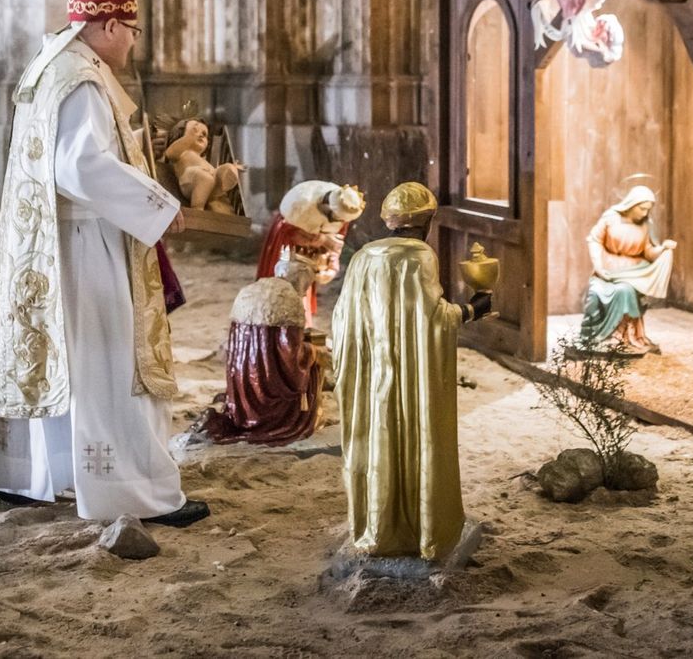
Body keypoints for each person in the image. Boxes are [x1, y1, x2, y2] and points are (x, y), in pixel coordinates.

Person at [0, 0, 210, 528]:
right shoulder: (83, 78)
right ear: (109, 23)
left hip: (50, 246)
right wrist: (162, 210)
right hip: (85, 245)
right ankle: (133, 491)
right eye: (131, 30)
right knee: (109, 366)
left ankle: (16, 472)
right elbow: (81, 168)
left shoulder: (51, 62)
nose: (133, 42)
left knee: (55, 363)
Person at [332, 182, 492, 562]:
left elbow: (342, 321)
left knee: (377, 442)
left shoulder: (365, 257)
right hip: (410, 378)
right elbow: (433, 320)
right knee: (414, 438)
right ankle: (420, 533)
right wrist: (472, 310)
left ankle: (376, 528)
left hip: (372, 377)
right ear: (427, 222)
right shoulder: (419, 255)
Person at [203, 250, 326, 446]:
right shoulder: (289, 298)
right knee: (316, 363)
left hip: (243, 389)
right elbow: (290, 358)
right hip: (271, 394)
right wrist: (314, 352)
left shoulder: (252, 289)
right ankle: (300, 416)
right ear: (301, 278)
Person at [578, 183, 676, 353]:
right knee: (595, 293)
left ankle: (622, 337)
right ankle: (594, 337)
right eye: (642, 209)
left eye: (648, 210)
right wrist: (599, 266)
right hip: (607, 269)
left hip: (635, 272)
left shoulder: (646, 224)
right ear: (631, 204)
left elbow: (649, 253)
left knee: (626, 290)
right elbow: (594, 240)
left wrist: (663, 248)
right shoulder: (610, 217)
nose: (645, 213)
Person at [253, 180, 366, 326]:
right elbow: (288, 233)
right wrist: (313, 240)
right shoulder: (299, 206)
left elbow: (335, 243)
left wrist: (331, 265)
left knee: (302, 291)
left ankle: (300, 329)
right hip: (289, 247)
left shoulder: (343, 213)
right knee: (280, 289)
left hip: (310, 258)